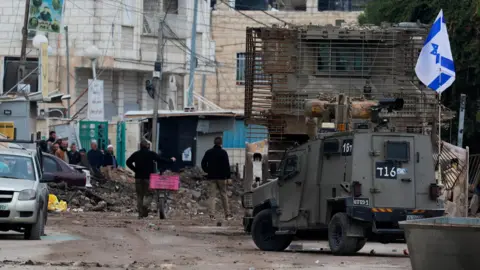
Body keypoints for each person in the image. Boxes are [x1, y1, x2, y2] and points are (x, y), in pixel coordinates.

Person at [126, 140, 176, 219]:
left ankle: (140, 214)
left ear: (140, 146)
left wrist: (135, 170)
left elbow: (128, 162)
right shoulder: (151, 154)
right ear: (148, 146)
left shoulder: (136, 154)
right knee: (150, 194)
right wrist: (171, 160)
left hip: (138, 178)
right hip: (148, 178)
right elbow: (161, 159)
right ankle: (145, 206)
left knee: (139, 196)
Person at [201, 137, 233, 221]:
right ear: (221, 143)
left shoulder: (209, 152)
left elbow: (203, 163)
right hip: (222, 178)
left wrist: (207, 170)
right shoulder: (223, 153)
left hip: (211, 177)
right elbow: (227, 166)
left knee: (212, 196)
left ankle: (212, 215)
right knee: (224, 195)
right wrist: (228, 177)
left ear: (214, 143)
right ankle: (227, 215)